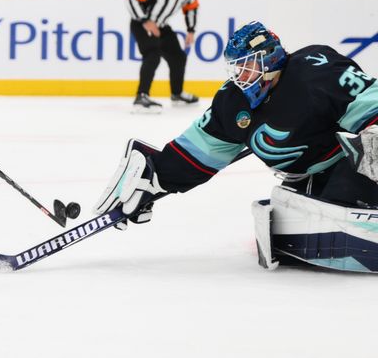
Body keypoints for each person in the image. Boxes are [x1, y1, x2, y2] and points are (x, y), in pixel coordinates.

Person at [94, 21, 378, 273]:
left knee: (348, 187)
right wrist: (155, 178)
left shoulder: (315, 69)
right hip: (306, 181)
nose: (241, 76)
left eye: (248, 65)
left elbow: (369, 102)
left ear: (271, 58)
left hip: (353, 166)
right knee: (305, 206)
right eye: (237, 68)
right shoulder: (232, 103)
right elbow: (197, 151)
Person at [125, 0, 199, 112]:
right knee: (153, 56)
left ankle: (177, 94)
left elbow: (191, 7)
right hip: (142, 23)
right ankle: (141, 96)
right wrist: (145, 21)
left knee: (178, 57)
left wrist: (191, 30)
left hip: (161, 25)